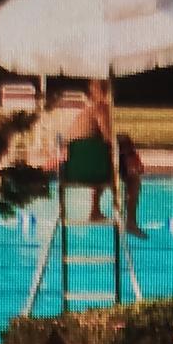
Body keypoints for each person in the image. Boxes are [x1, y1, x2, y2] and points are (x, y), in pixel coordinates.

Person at [66, 80, 148, 239]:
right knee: (134, 178)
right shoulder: (101, 108)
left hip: (73, 172)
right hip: (96, 169)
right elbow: (110, 140)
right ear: (106, 91)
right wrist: (129, 151)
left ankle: (95, 210)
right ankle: (130, 222)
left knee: (101, 161)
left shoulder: (82, 115)